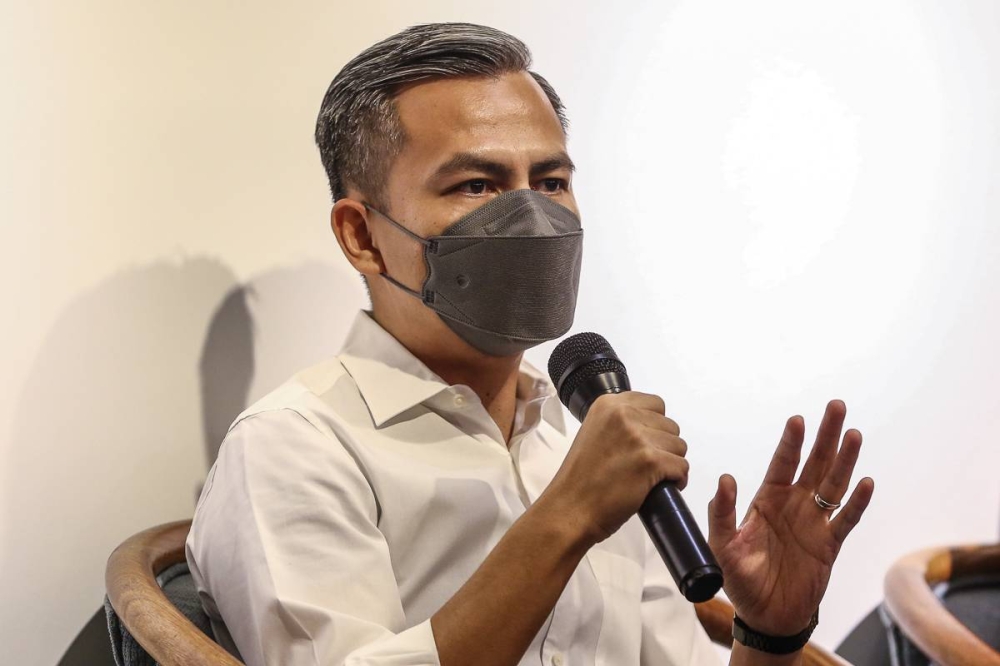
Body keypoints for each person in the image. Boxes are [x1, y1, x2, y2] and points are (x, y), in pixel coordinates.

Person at [186, 22, 875, 666]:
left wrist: (770, 634)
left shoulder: (578, 442)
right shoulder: (293, 449)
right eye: (477, 184)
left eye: (550, 182)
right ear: (361, 236)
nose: (534, 219)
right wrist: (568, 514)